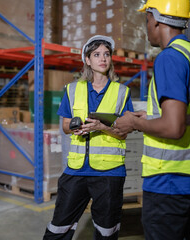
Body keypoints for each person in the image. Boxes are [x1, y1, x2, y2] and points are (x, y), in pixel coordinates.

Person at [114, 1, 190, 239]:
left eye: (146, 20)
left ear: (156, 19)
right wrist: (150, 117)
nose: (146, 27)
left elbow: (174, 127)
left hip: (169, 181)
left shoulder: (170, 58)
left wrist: (133, 123)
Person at [43, 35, 134, 240]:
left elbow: (124, 131)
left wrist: (101, 127)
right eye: (96, 54)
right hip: (76, 170)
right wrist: (76, 127)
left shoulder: (122, 92)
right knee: (59, 226)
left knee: (106, 230)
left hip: (109, 172)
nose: (102, 59)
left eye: (106, 54)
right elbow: (65, 126)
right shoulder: (72, 89)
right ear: (87, 60)